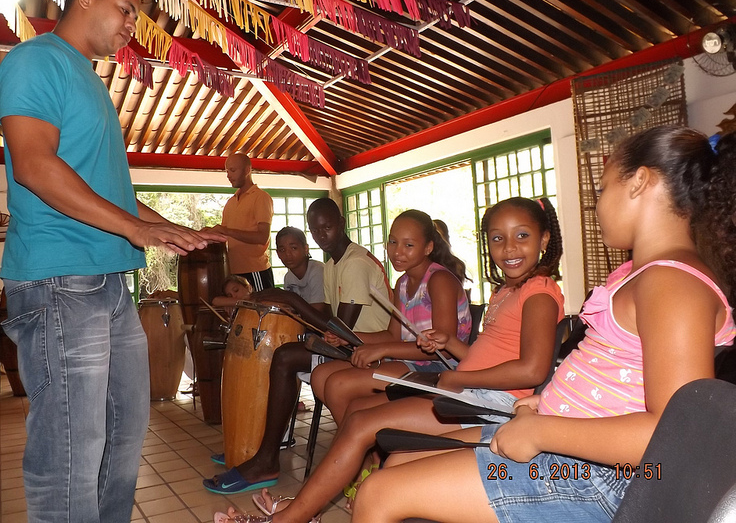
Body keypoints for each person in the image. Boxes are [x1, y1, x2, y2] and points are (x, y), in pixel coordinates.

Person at [351, 126, 736, 523]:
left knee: (378, 494)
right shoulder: (644, 274)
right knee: (399, 458)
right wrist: (552, 402)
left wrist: (542, 431)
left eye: (602, 189)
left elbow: (674, 435)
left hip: (596, 476)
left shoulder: (672, 285)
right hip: (569, 445)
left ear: (639, 182)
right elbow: (620, 377)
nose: (597, 204)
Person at [0, 0, 224, 523]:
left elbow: (108, 193)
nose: (131, 26)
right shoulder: (36, 60)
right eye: (125, 10)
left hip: (109, 283)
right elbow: (33, 165)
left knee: (122, 439)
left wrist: (162, 226)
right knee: (70, 453)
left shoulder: (91, 81)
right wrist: (135, 228)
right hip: (59, 280)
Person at [215, 195, 565, 523]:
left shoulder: (539, 293)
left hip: (490, 403)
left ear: (544, 239)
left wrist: (458, 377)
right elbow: (482, 356)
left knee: (360, 424)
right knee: (368, 429)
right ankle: (318, 502)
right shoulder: (507, 291)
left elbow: (532, 370)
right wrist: (452, 345)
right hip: (471, 391)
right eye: (497, 239)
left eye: (522, 235)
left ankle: (291, 516)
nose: (509, 248)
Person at [203, 198, 391, 495]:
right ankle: (261, 450)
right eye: (315, 230)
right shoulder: (334, 263)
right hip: (350, 345)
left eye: (327, 227)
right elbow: (329, 322)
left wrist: (290, 299)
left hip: (370, 351)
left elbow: (341, 329)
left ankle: (266, 459)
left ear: (342, 224)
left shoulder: (354, 263)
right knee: (284, 355)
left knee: (284, 358)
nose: (321, 235)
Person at [311, 209, 472, 426]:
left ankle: (360, 444)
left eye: (408, 245)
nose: (397, 252)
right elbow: (392, 335)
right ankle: (362, 443)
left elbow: (442, 350)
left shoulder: (439, 280)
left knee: (338, 385)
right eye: (393, 242)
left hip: (441, 368)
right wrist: (347, 337)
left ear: (428, 248)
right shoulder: (403, 283)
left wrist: (382, 350)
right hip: (410, 360)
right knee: (320, 375)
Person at [213, 153, 275, 291]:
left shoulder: (261, 197)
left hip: (255, 270)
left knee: (260, 305)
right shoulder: (230, 202)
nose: (228, 175)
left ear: (247, 170)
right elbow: (223, 236)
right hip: (233, 272)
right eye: (227, 171)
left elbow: (262, 237)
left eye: (232, 170)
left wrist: (227, 231)